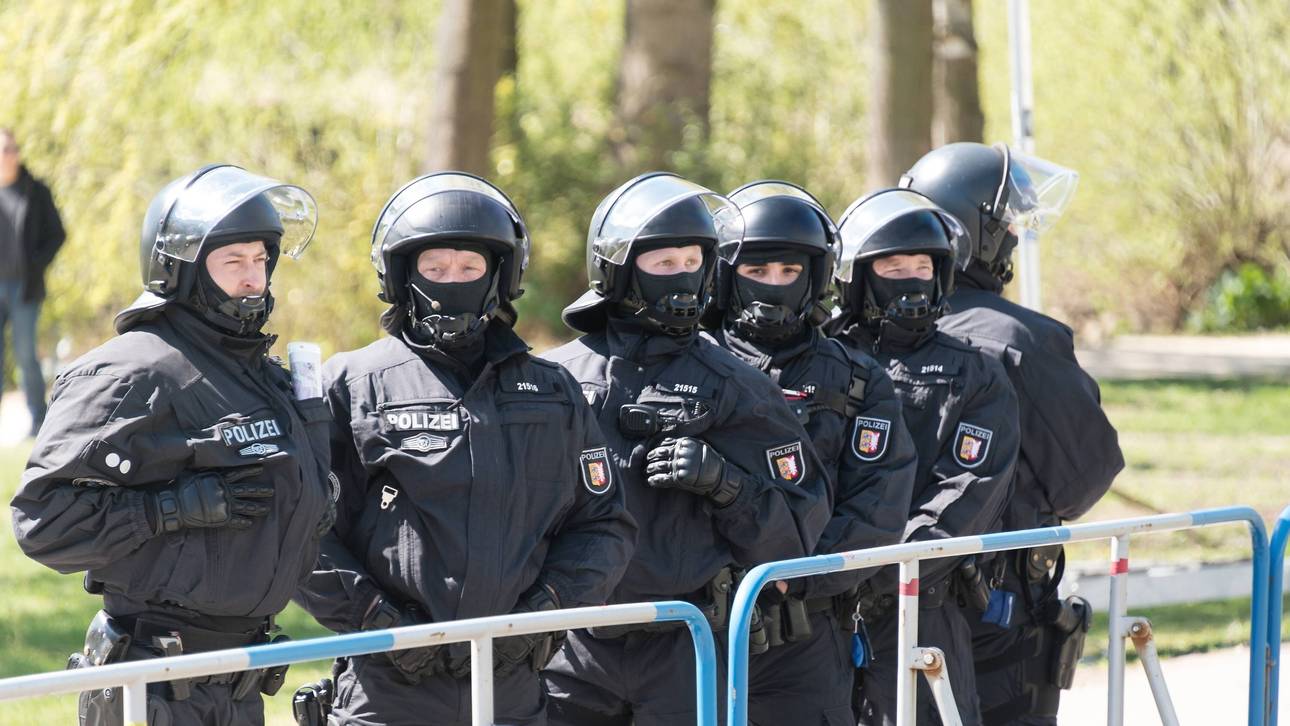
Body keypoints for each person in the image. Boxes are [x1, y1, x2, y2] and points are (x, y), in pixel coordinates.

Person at [293, 172, 636, 726]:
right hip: (385, 690)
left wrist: (545, 612)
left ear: (500, 276)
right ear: (402, 274)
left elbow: (604, 525)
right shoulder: (351, 386)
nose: (451, 280)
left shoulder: (554, 392)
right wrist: (376, 623)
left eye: (469, 267)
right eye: (434, 268)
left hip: (513, 684)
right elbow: (303, 530)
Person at [11, 164, 332, 725]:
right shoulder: (133, 370)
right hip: (156, 684)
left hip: (239, 682)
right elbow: (42, 522)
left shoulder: (259, 374)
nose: (253, 277)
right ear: (180, 270)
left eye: (261, 259)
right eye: (233, 261)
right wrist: (166, 508)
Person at [540, 172, 831, 726]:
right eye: (662, 262)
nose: (681, 276)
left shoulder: (739, 385)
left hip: (687, 644)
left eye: (692, 260)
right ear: (618, 267)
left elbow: (797, 533)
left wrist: (728, 485)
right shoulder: (553, 379)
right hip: (568, 648)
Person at [901, 142, 1123, 725]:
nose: (1016, 239)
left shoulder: (856, 330)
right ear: (977, 233)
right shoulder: (1018, 338)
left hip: (883, 600)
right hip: (999, 614)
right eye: (1006, 225)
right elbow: (1085, 478)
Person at [701, 180, 918, 725]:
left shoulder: (858, 379)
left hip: (807, 633)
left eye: (789, 271)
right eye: (756, 271)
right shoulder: (690, 365)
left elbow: (877, 510)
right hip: (695, 627)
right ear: (727, 275)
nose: (773, 285)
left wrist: (785, 580)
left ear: (814, 277)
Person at [830, 188, 1020, 726]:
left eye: (923, 265)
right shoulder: (821, 359)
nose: (912, 277)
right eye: (894, 264)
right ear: (861, 274)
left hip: (921, 604)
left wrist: (874, 570)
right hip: (817, 613)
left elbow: (964, 496)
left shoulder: (977, 374)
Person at [0, 127, 65, 436]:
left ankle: (39, 421)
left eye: (11, 149)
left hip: (24, 288)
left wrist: (37, 265)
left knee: (26, 354)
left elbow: (57, 234)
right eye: (3, 150)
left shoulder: (35, 190)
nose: (8, 155)